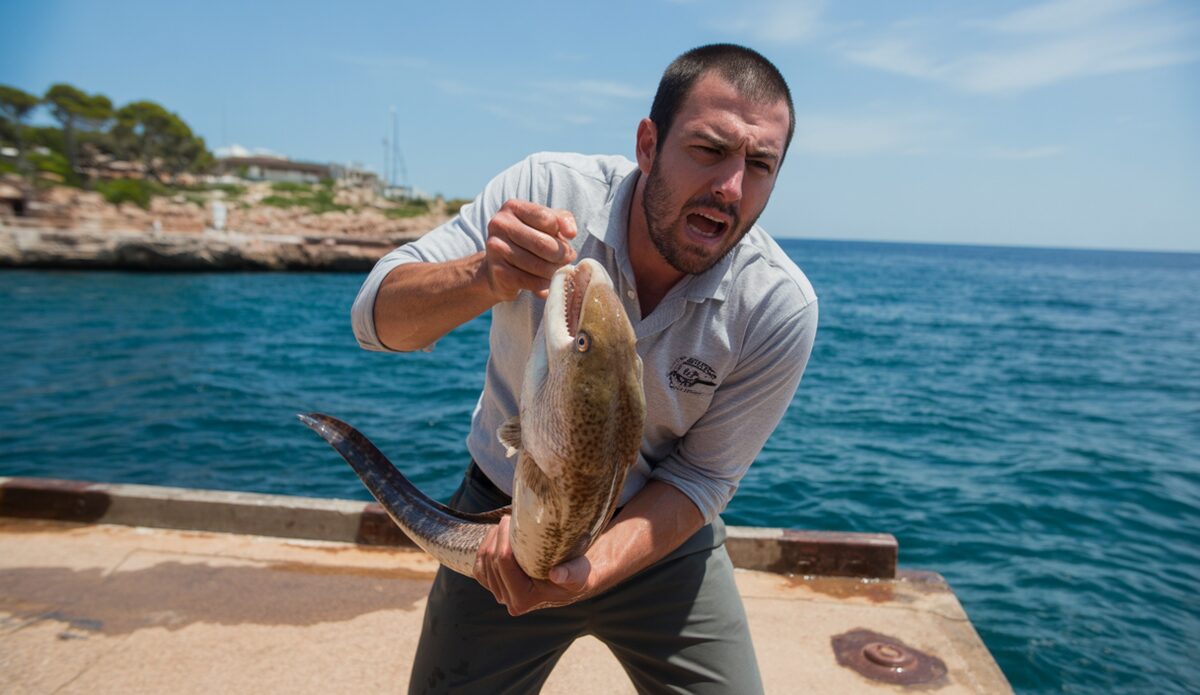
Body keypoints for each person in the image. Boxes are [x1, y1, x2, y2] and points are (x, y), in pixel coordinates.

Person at [352, 43, 818, 695]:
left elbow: (704, 476)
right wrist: (486, 275)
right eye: (709, 150)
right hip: (503, 515)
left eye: (760, 164)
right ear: (649, 144)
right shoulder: (544, 191)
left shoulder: (776, 305)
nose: (731, 187)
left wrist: (589, 570)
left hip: (659, 538)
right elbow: (376, 320)